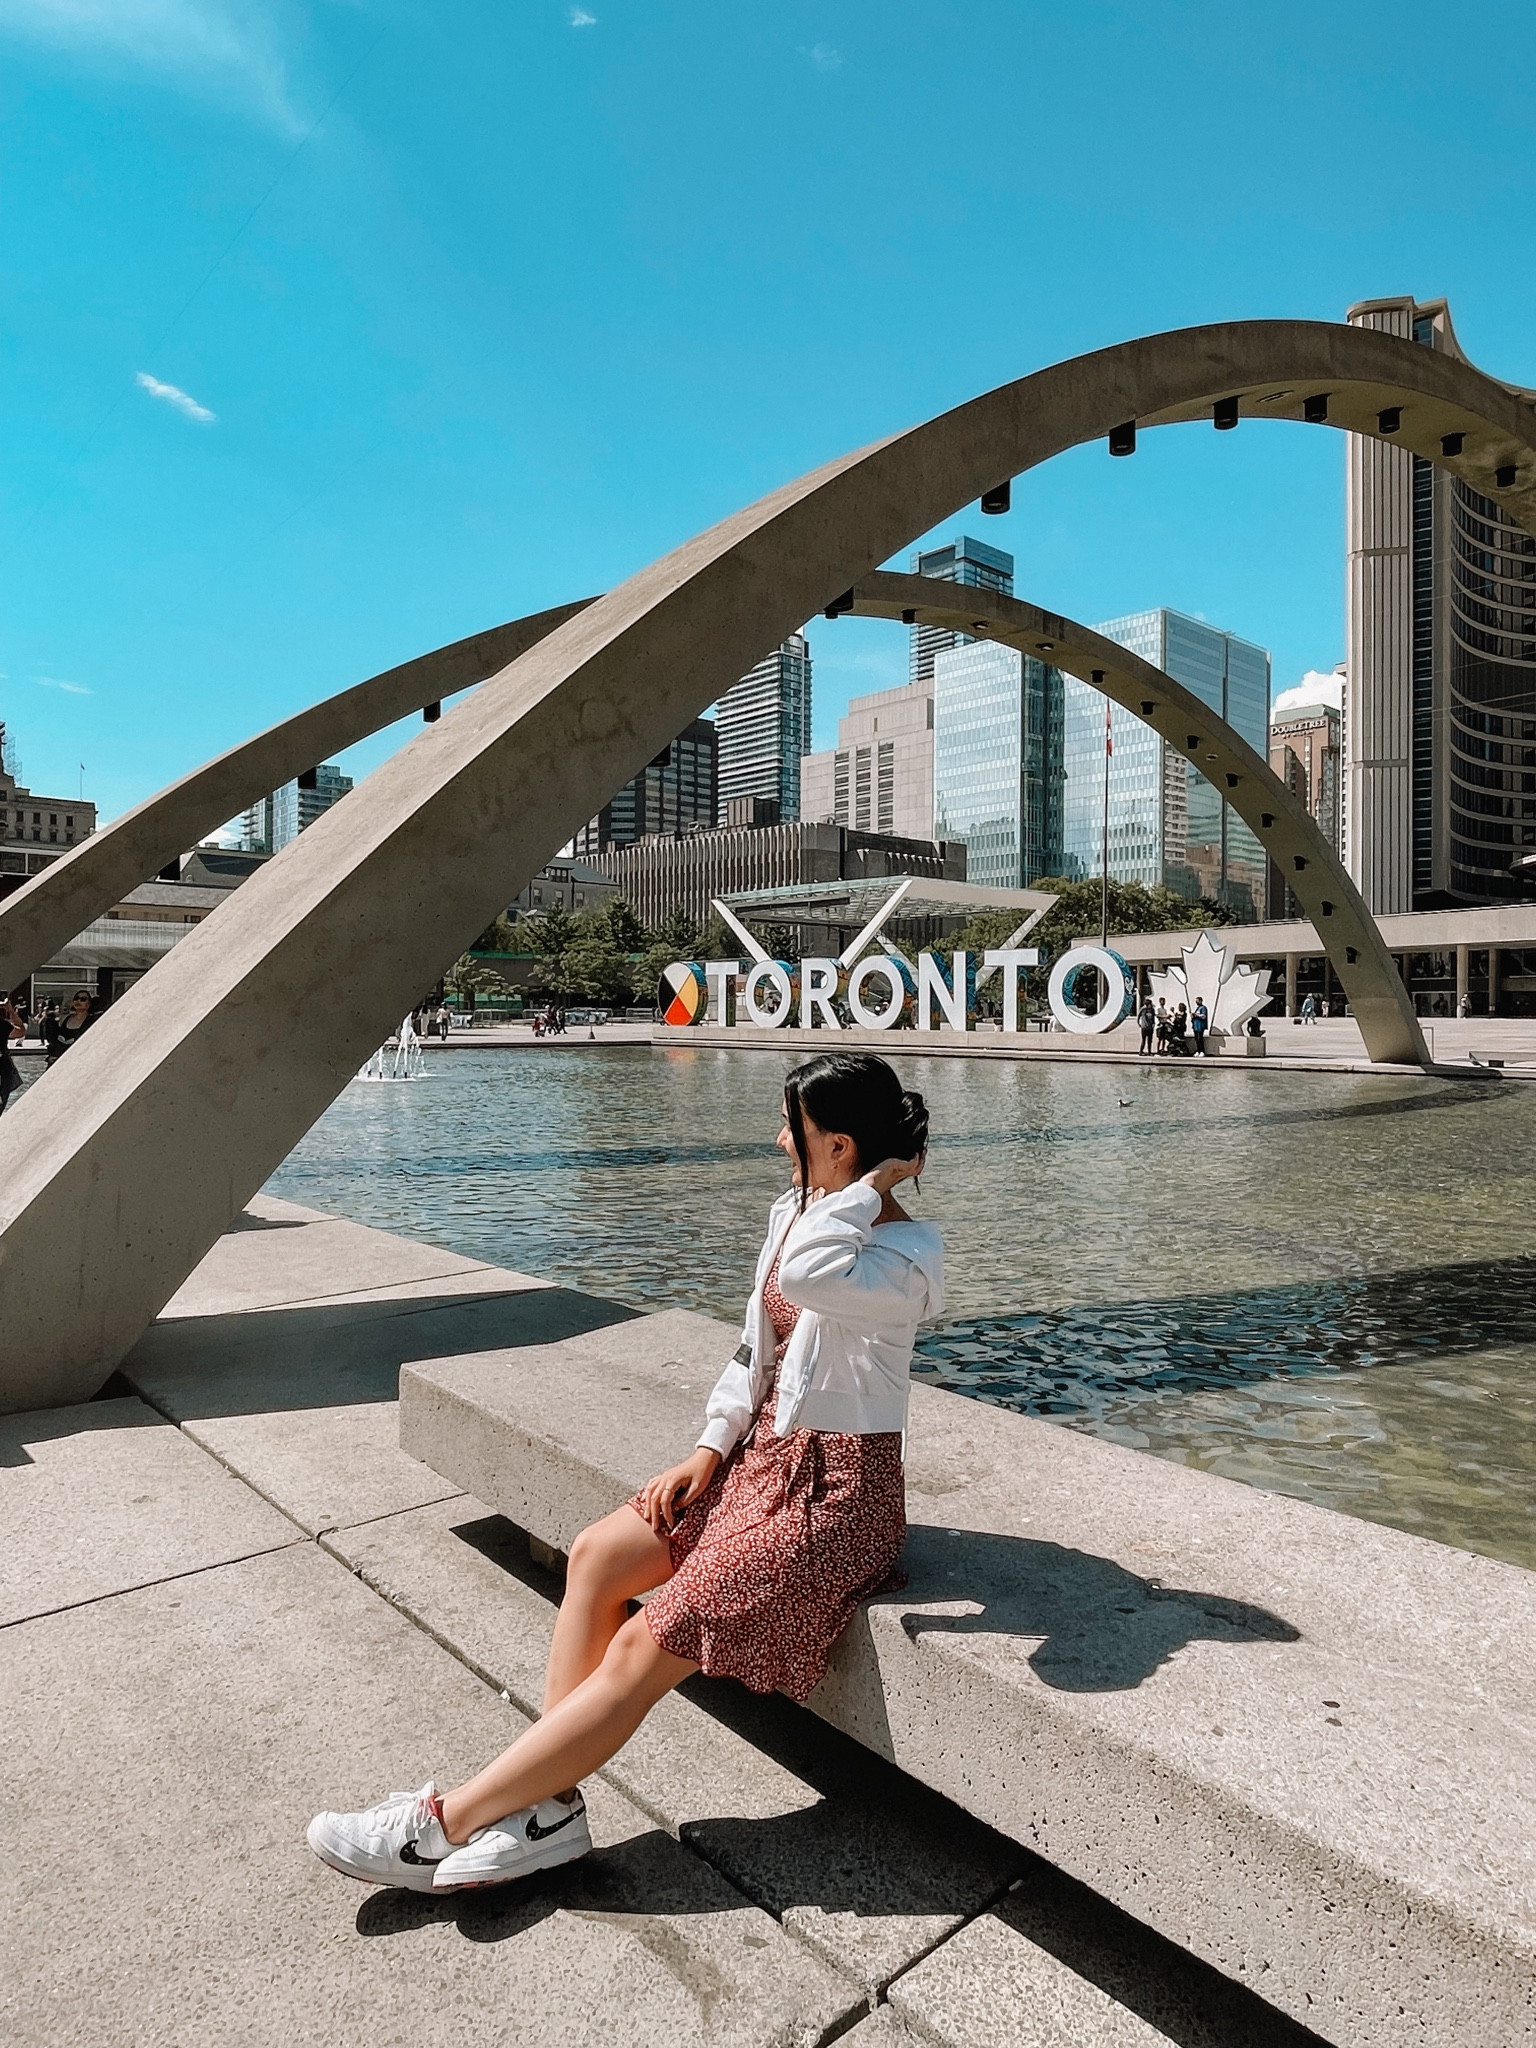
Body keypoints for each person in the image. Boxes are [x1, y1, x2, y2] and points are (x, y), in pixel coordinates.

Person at [306, 1051, 942, 1895]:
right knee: (598, 1553)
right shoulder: (796, 1209)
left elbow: (806, 1277)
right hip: (757, 1465)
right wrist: (709, 1448)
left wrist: (868, 1184)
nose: (779, 1140)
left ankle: (441, 1824)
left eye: (795, 1128)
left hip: (836, 1499)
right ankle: (550, 1812)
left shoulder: (909, 1254)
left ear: (839, 1145)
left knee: (647, 1640)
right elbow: (758, 1350)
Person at [43, 990, 93, 1066]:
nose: (78, 1001)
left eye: (83, 999)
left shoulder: (91, 1021)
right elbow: (54, 1040)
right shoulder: (65, 1019)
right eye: (76, 998)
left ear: (89, 1003)